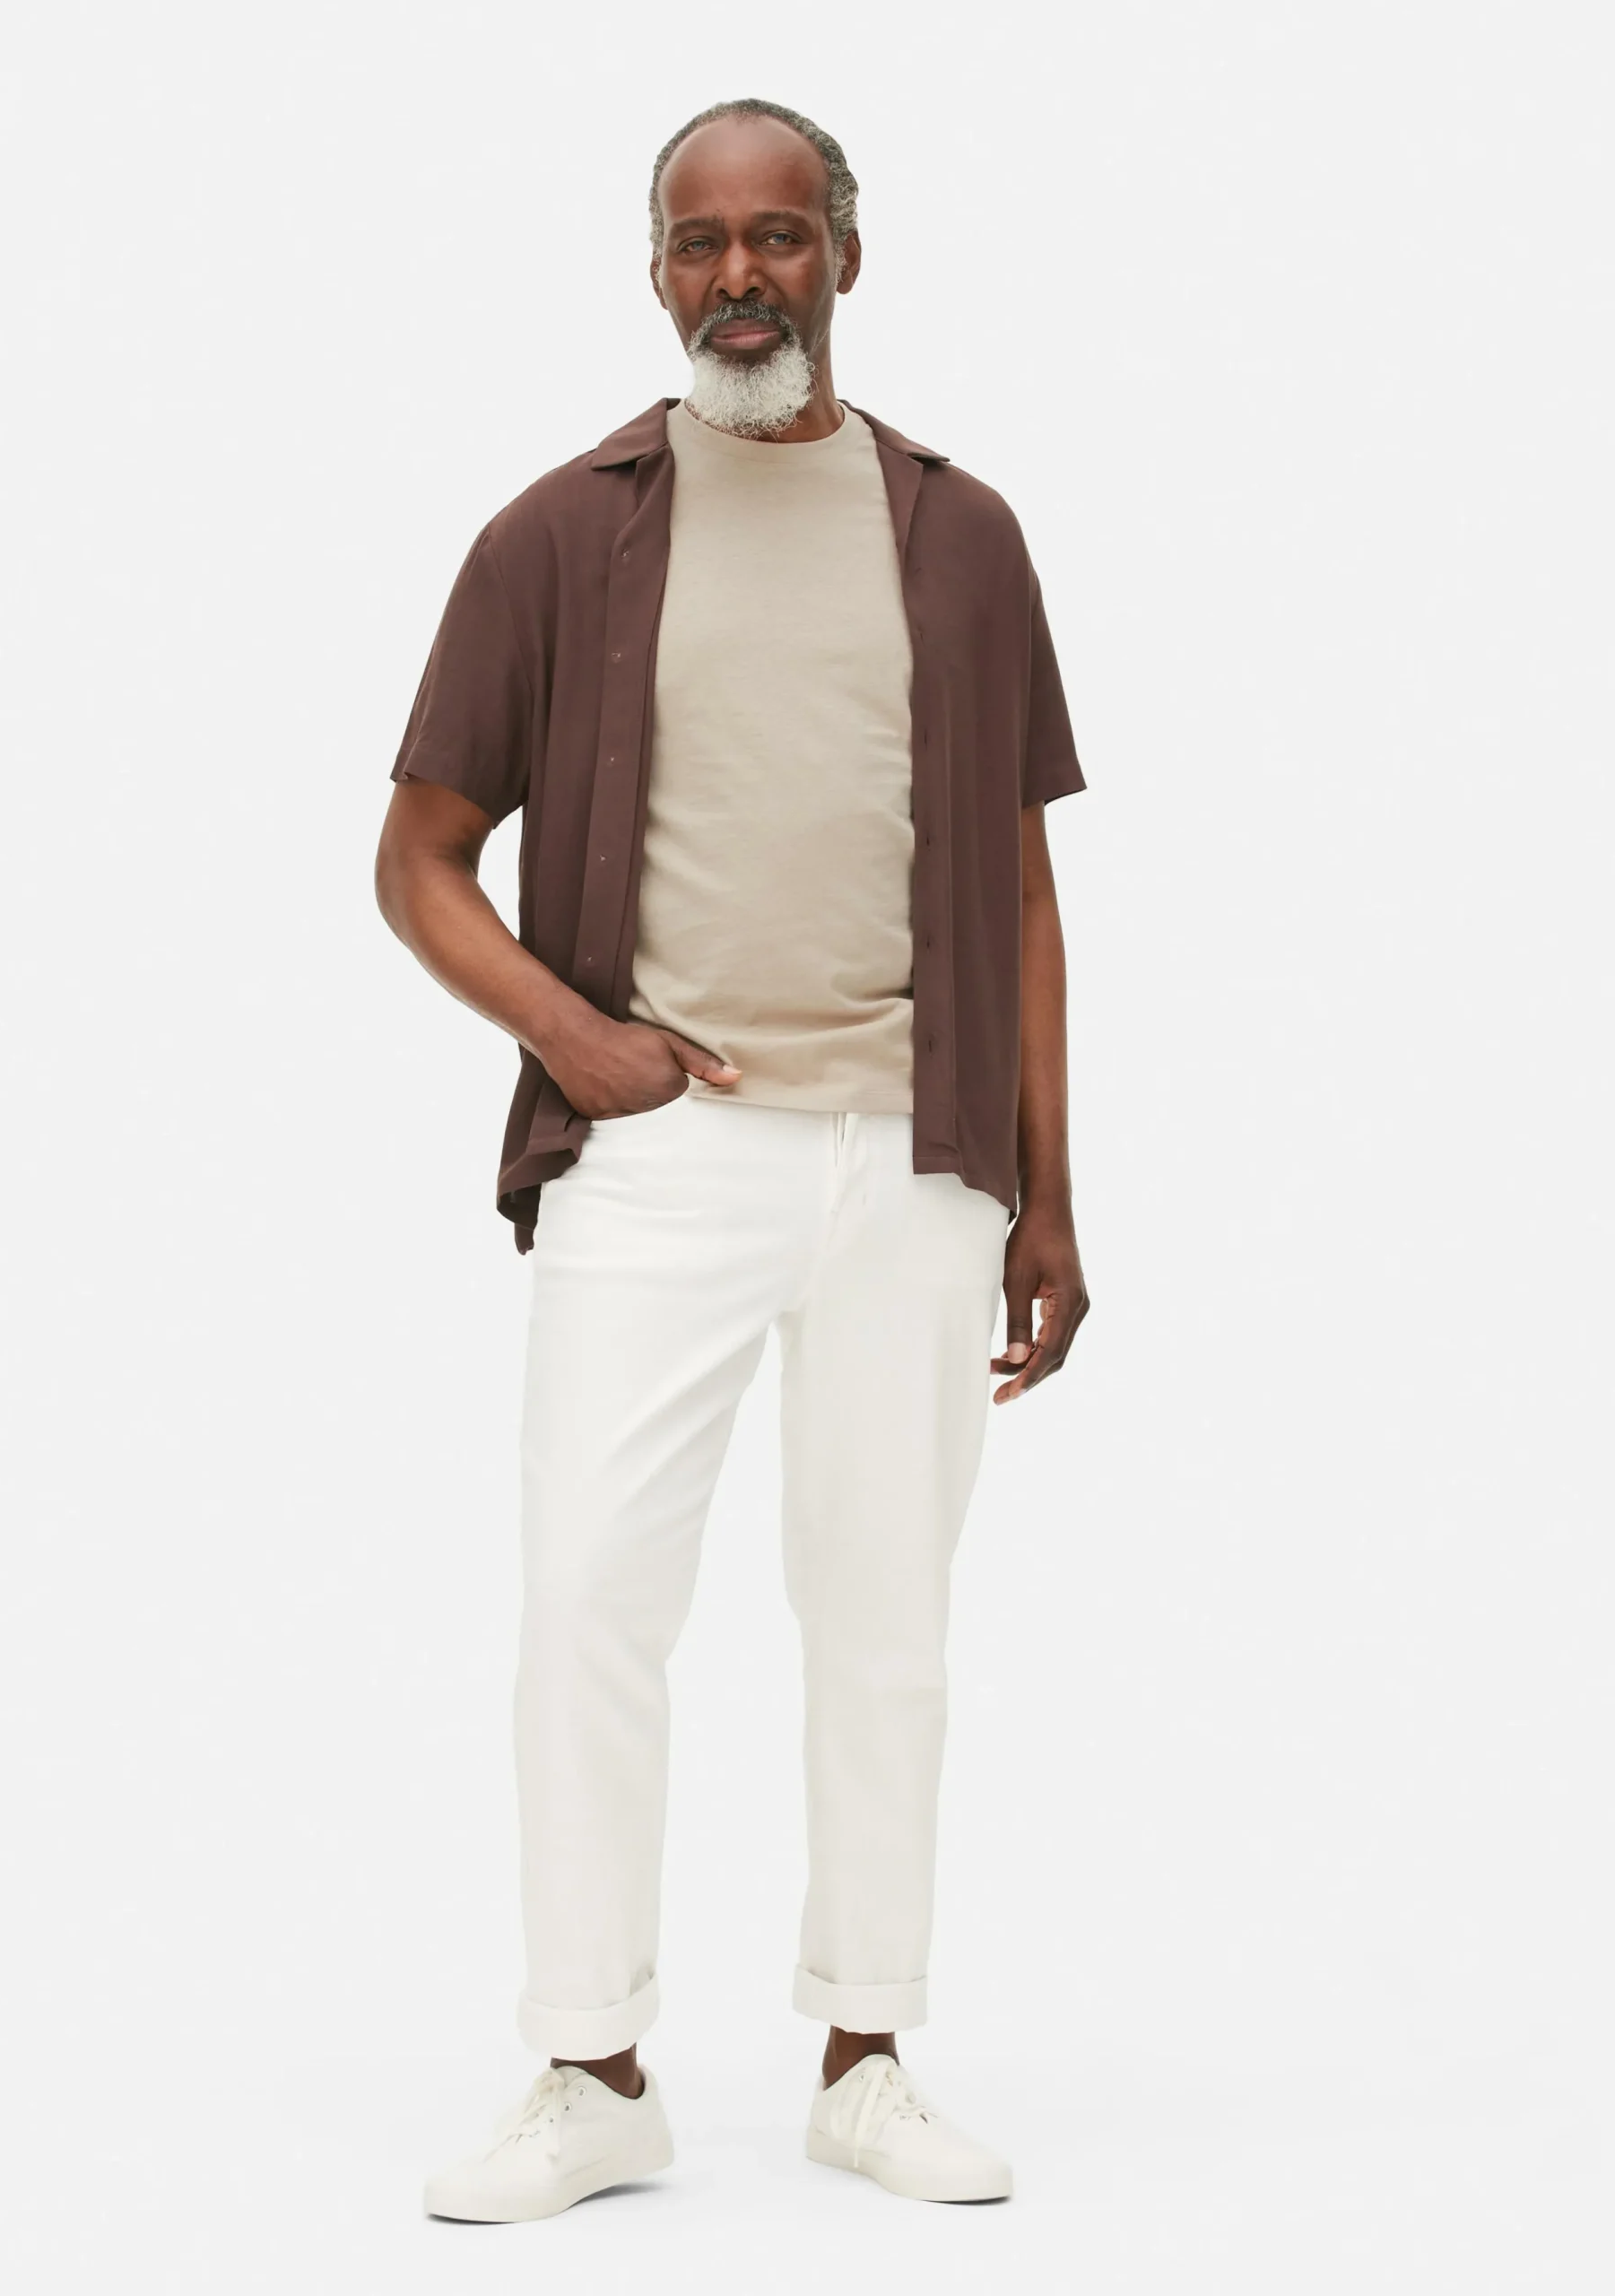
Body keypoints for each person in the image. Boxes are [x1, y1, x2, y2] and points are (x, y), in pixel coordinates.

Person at [374, 95, 1089, 2221]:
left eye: (780, 235)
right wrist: (579, 1040)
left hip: (916, 1160)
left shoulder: (963, 533)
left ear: (847, 255)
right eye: (702, 242)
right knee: (588, 1599)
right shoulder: (558, 533)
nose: (741, 275)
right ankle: (591, 2066)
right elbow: (417, 859)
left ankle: (868, 2052)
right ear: (657, 271)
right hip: (660, 1158)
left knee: (886, 1622)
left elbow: (1022, 886)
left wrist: (1050, 1188)